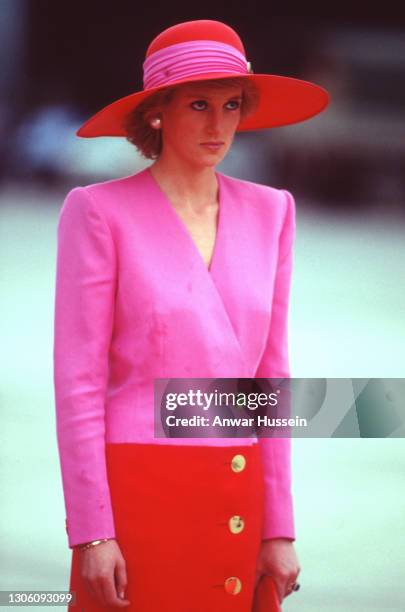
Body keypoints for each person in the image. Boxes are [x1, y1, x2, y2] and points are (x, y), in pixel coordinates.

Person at [53, 19, 329, 612]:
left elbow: (270, 381)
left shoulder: (272, 212)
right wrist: (92, 533)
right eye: (198, 104)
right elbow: (77, 384)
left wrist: (279, 528)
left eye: (232, 106)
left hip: (238, 487)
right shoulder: (99, 212)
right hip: (137, 493)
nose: (217, 125)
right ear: (157, 112)